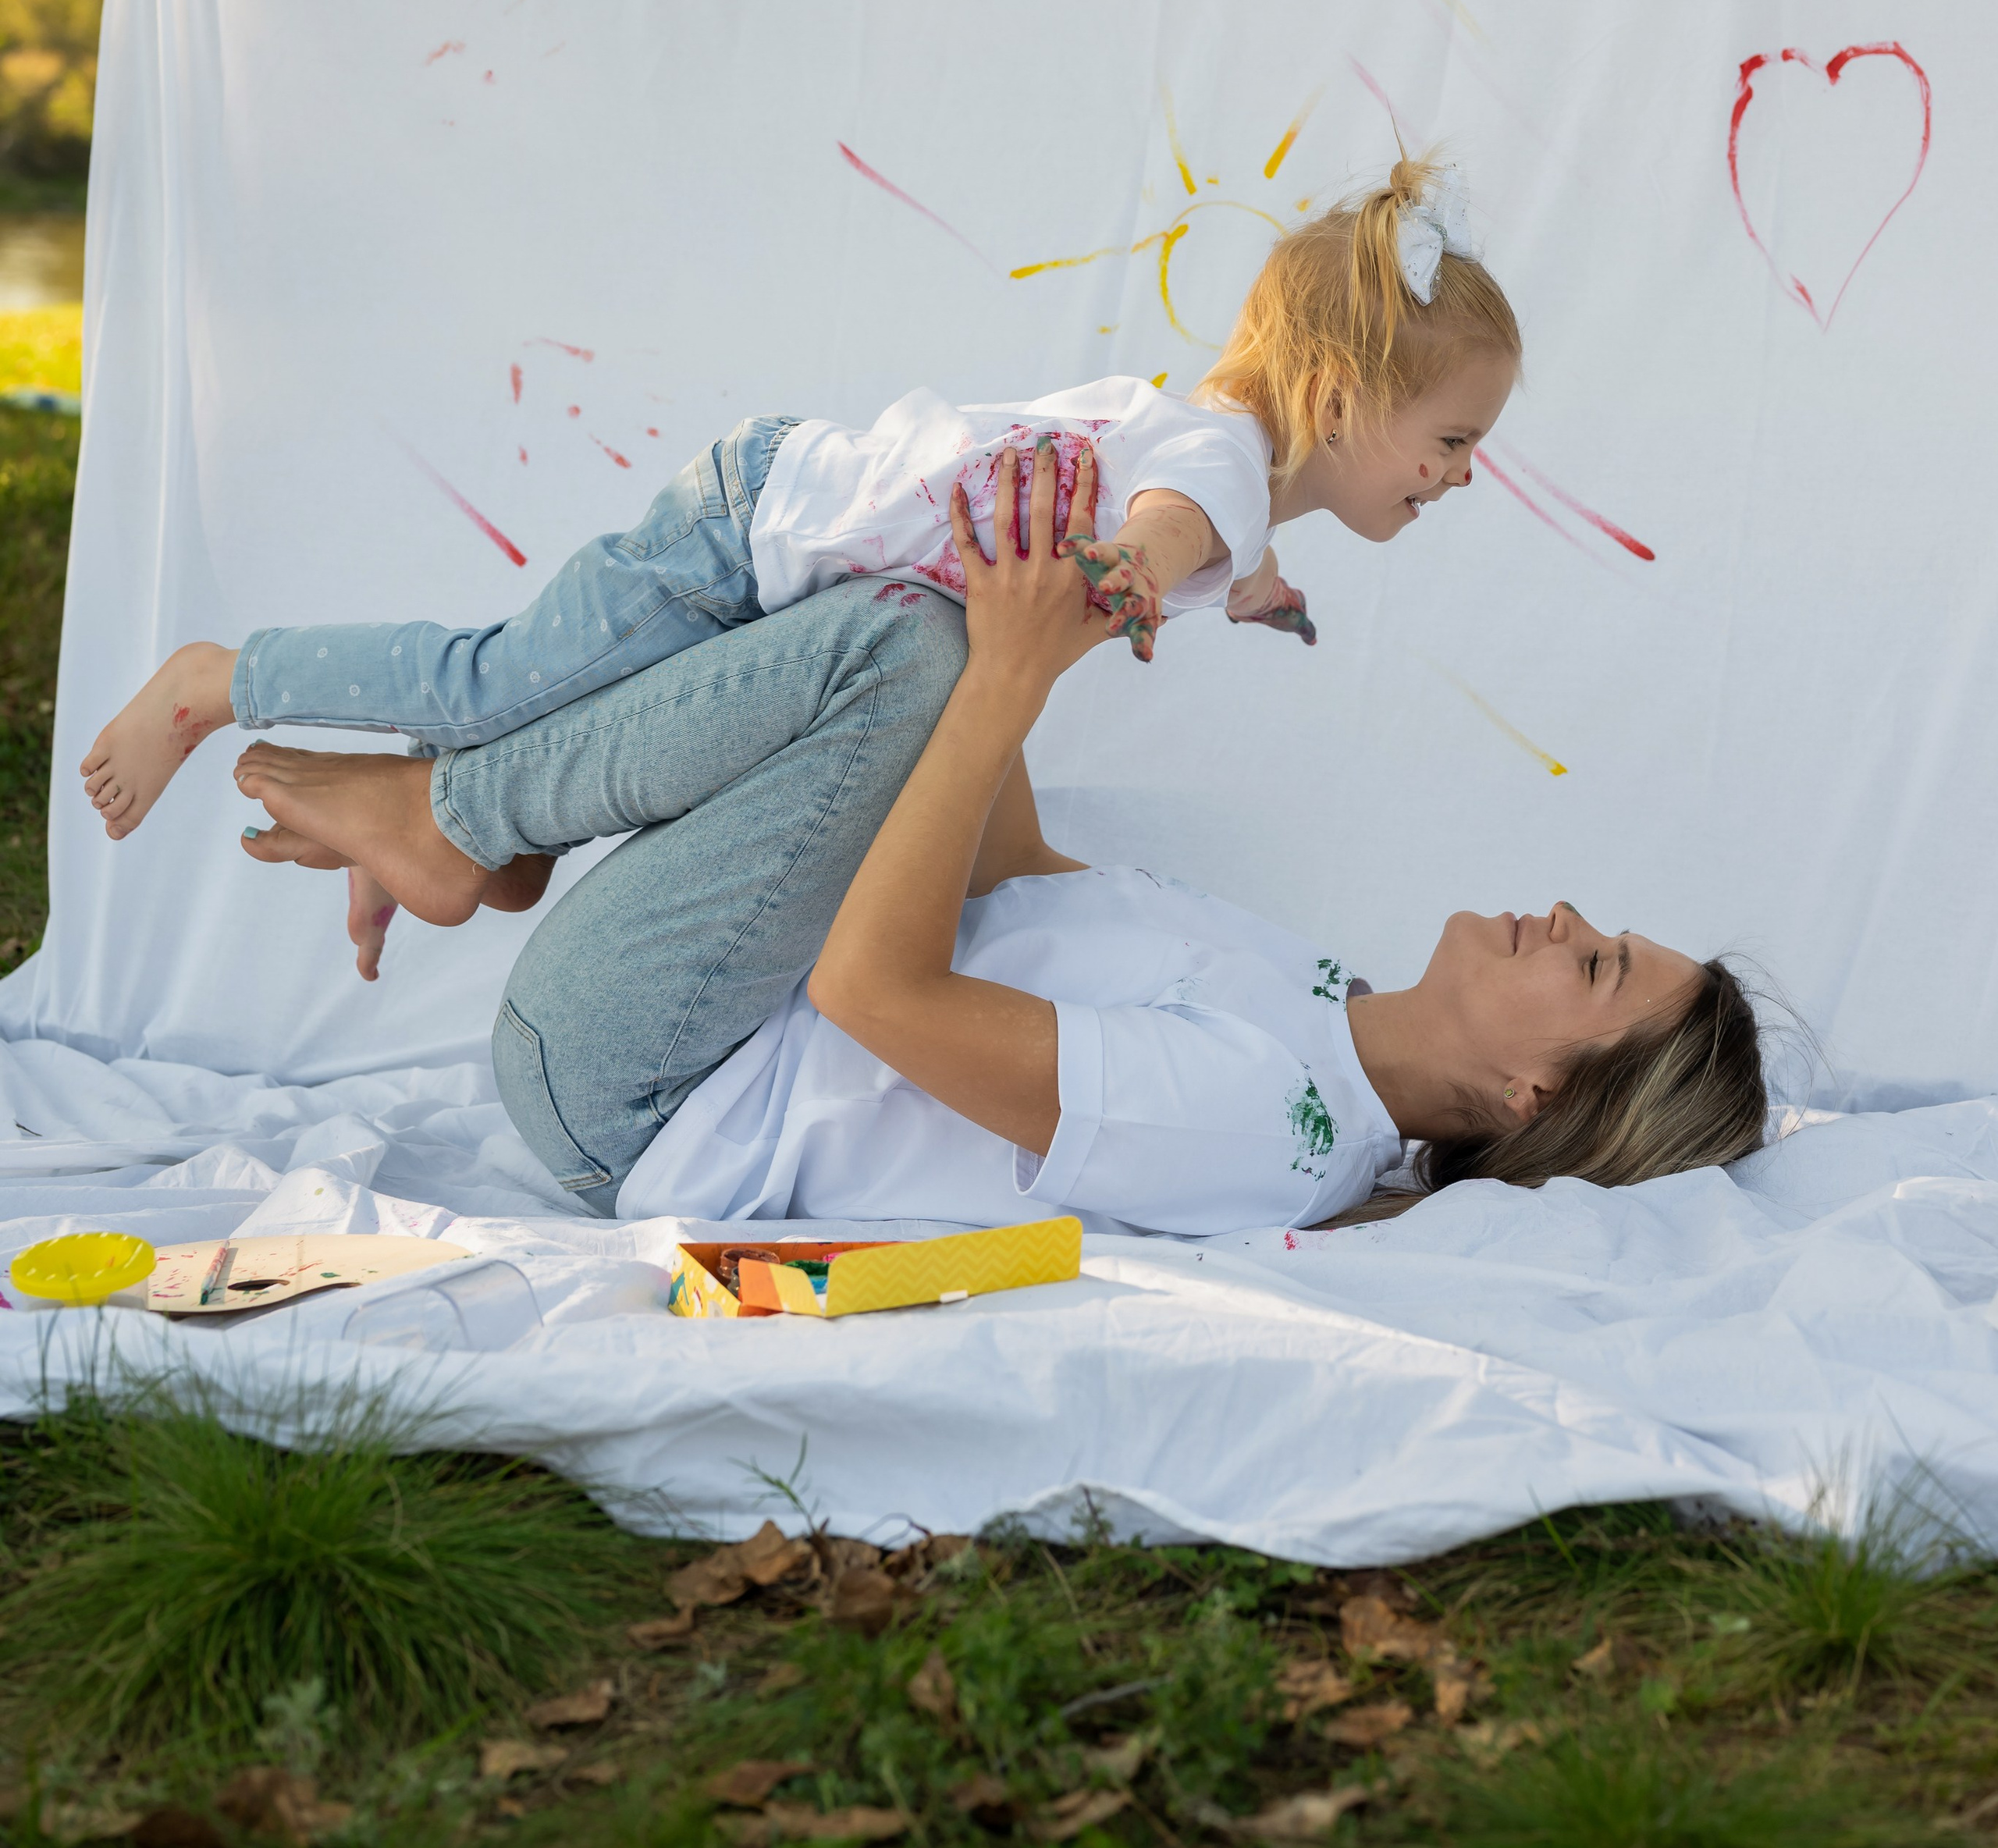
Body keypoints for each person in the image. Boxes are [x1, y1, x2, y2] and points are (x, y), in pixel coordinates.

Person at [229, 441, 1767, 1231]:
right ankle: (469, 830)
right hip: (711, 1011)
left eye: (1592, 963)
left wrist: (998, 669)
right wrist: (1019, 619)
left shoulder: (1257, 1124)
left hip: (650, 1094)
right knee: (912, 608)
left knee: (903, 657)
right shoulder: (1307, 998)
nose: (1562, 913)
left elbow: (875, 997)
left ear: (1527, 1093)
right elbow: (1010, 875)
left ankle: (450, 817)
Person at [82, 151, 1523, 972]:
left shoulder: (1221, 466)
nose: (1464, 476)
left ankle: (424, 836)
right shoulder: (1210, 474)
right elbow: (1154, 541)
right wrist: (1135, 579)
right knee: (493, 683)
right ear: (1336, 404)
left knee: (593, 732)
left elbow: (1216, 552)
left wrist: (1261, 598)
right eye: (1452, 440)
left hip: (777, 560)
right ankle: (219, 678)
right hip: (749, 527)